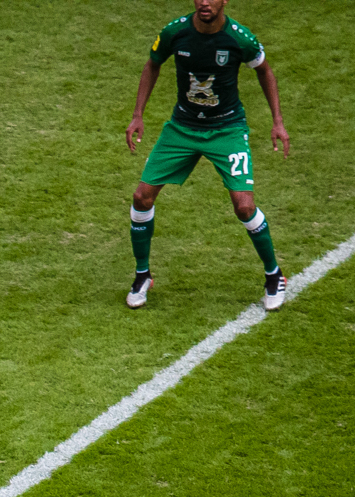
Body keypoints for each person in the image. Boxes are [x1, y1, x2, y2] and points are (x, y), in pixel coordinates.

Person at [124, 0, 290, 311]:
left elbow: (265, 71)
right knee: (141, 197)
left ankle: (274, 275)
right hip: (182, 128)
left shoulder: (240, 38)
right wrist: (137, 115)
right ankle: (142, 275)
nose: (204, 2)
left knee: (244, 206)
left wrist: (277, 121)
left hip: (227, 129)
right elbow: (152, 64)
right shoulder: (175, 32)